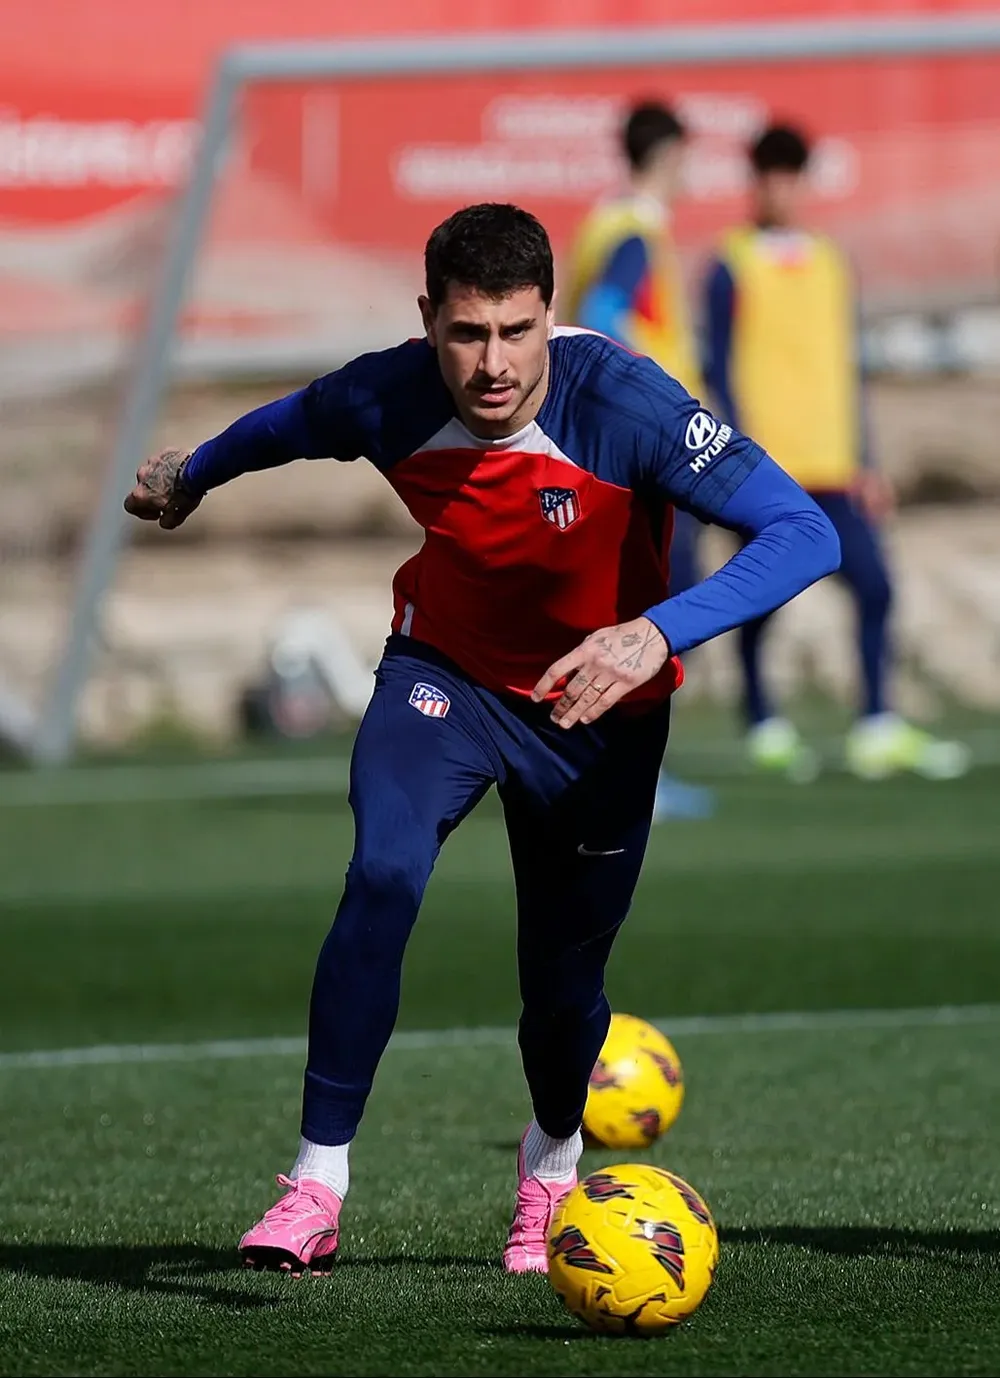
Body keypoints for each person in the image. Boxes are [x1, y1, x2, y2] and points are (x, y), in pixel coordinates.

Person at [124, 202, 839, 1277]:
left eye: (516, 331)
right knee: (384, 871)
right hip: (444, 676)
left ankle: (551, 1163)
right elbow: (284, 425)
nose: (493, 363)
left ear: (550, 316)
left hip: (597, 712)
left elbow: (804, 529)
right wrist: (193, 476)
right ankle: (316, 1182)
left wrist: (653, 632)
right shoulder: (390, 391)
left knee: (560, 992)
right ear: (430, 321)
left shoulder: (627, 404)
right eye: (467, 334)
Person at [703, 123, 969, 781]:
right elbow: (721, 366)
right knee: (762, 597)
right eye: (769, 176)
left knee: (876, 587)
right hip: (770, 470)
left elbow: (846, 366)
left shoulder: (829, 261)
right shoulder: (730, 263)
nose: (780, 189)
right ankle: (763, 720)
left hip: (836, 465)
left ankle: (877, 722)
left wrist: (868, 460)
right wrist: (738, 457)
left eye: (791, 176)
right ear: (754, 183)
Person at [564, 98, 713, 819]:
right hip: (647, 454)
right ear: (671, 158)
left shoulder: (605, 223)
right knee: (661, 611)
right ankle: (629, 776)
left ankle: (618, 768)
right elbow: (601, 317)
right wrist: (658, 397)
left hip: (615, 451)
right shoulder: (634, 232)